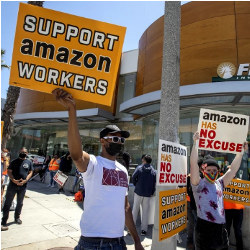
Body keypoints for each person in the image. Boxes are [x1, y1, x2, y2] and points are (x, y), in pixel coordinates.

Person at [53, 88, 144, 250]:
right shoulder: (94, 163)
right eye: (115, 138)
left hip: (119, 243)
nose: (119, 142)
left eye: (122, 140)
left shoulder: (123, 171)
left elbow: (126, 207)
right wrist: (72, 110)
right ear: (102, 141)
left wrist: (137, 240)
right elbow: (76, 155)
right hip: (92, 244)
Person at [190, 131, 248, 250]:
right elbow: (193, 165)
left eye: (215, 170)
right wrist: (195, 144)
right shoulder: (198, 184)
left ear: (218, 171)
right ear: (203, 171)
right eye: (209, 170)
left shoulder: (220, 183)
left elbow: (232, 171)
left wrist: (240, 152)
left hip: (221, 229)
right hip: (204, 230)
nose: (212, 172)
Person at [1, 147, 33, 231]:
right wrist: (13, 180)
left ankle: (17, 218)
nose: (23, 153)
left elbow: (31, 172)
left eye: (24, 152)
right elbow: (9, 171)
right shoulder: (14, 162)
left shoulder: (29, 162)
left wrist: (26, 180)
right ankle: (4, 221)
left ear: (27, 153)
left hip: (23, 186)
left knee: (20, 203)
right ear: (19, 152)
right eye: (21, 152)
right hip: (12, 185)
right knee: (8, 203)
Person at [132, 154, 156, 236]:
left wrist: (136, 185)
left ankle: (131, 229)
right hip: (147, 194)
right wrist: (152, 192)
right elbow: (154, 183)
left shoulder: (139, 168)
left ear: (143, 160)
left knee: (135, 210)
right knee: (145, 212)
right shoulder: (153, 171)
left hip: (138, 192)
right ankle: (143, 230)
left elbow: (133, 177)